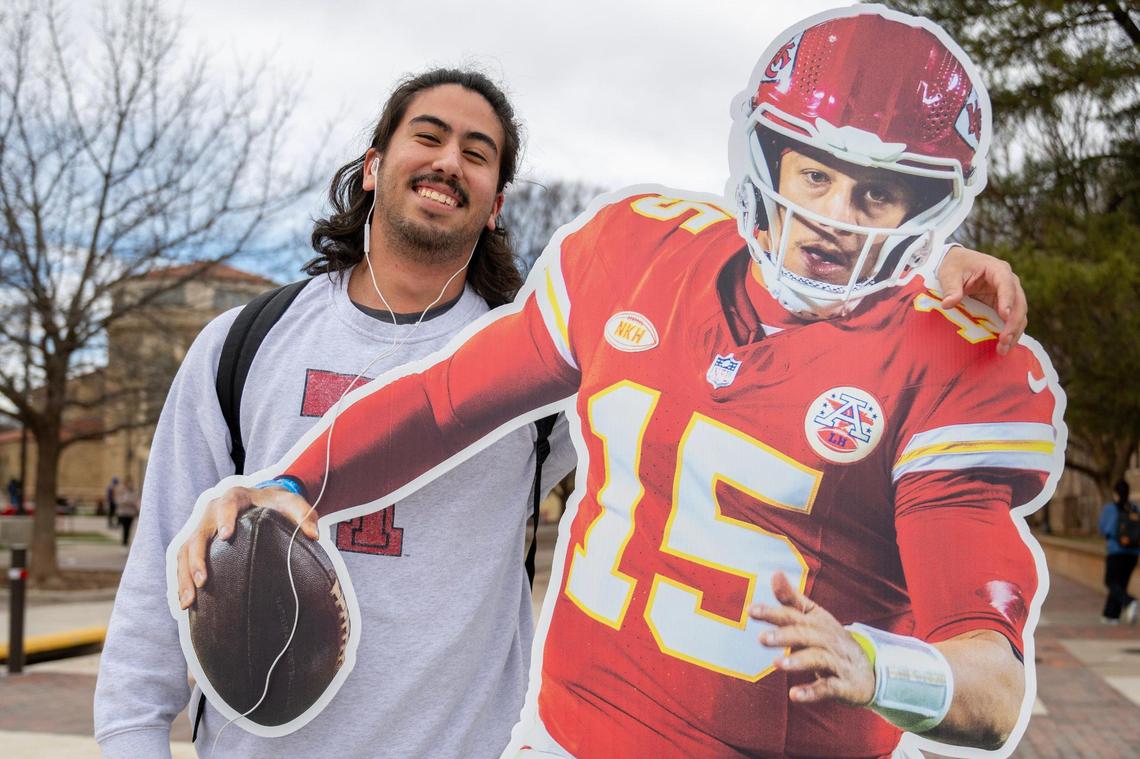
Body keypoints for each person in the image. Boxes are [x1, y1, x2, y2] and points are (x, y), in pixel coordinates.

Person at [179, 8, 1060, 759]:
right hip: (562, 740)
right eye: (818, 176)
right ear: (770, 161)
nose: (833, 217)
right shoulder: (636, 254)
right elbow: (444, 401)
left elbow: (990, 680)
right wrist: (297, 482)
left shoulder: (954, 360)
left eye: (875, 196)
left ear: (923, 209)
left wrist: (877, 666)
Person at [95, 69, 578, 758]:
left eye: (476, 153)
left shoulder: (537, 376)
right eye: (429, 136)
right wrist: (131, 738)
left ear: (495, 205)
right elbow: (157, 576)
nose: (448, 161)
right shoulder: (244, 343)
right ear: (375, 167)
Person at [1099, 480, 1139, 624]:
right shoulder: (1134, 509)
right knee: (1120, 584)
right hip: (1133, 553)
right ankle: (1111, 615)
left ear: (1116, 493)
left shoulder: (1110, 509)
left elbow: (1104, 528)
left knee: (1110, 582)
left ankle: (1129, 601)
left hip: (1116, 552)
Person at [115, 478, 140, 546]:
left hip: (131, 513)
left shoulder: (134, 491)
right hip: (124, 513)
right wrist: (128, 502)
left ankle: (126, 542)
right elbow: (119, 501)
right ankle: (124, 542)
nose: (131, 484)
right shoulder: (122, 491)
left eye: (131, 482)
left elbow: (136, 501)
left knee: (129, 528)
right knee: (125, 528)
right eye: (129, 483)